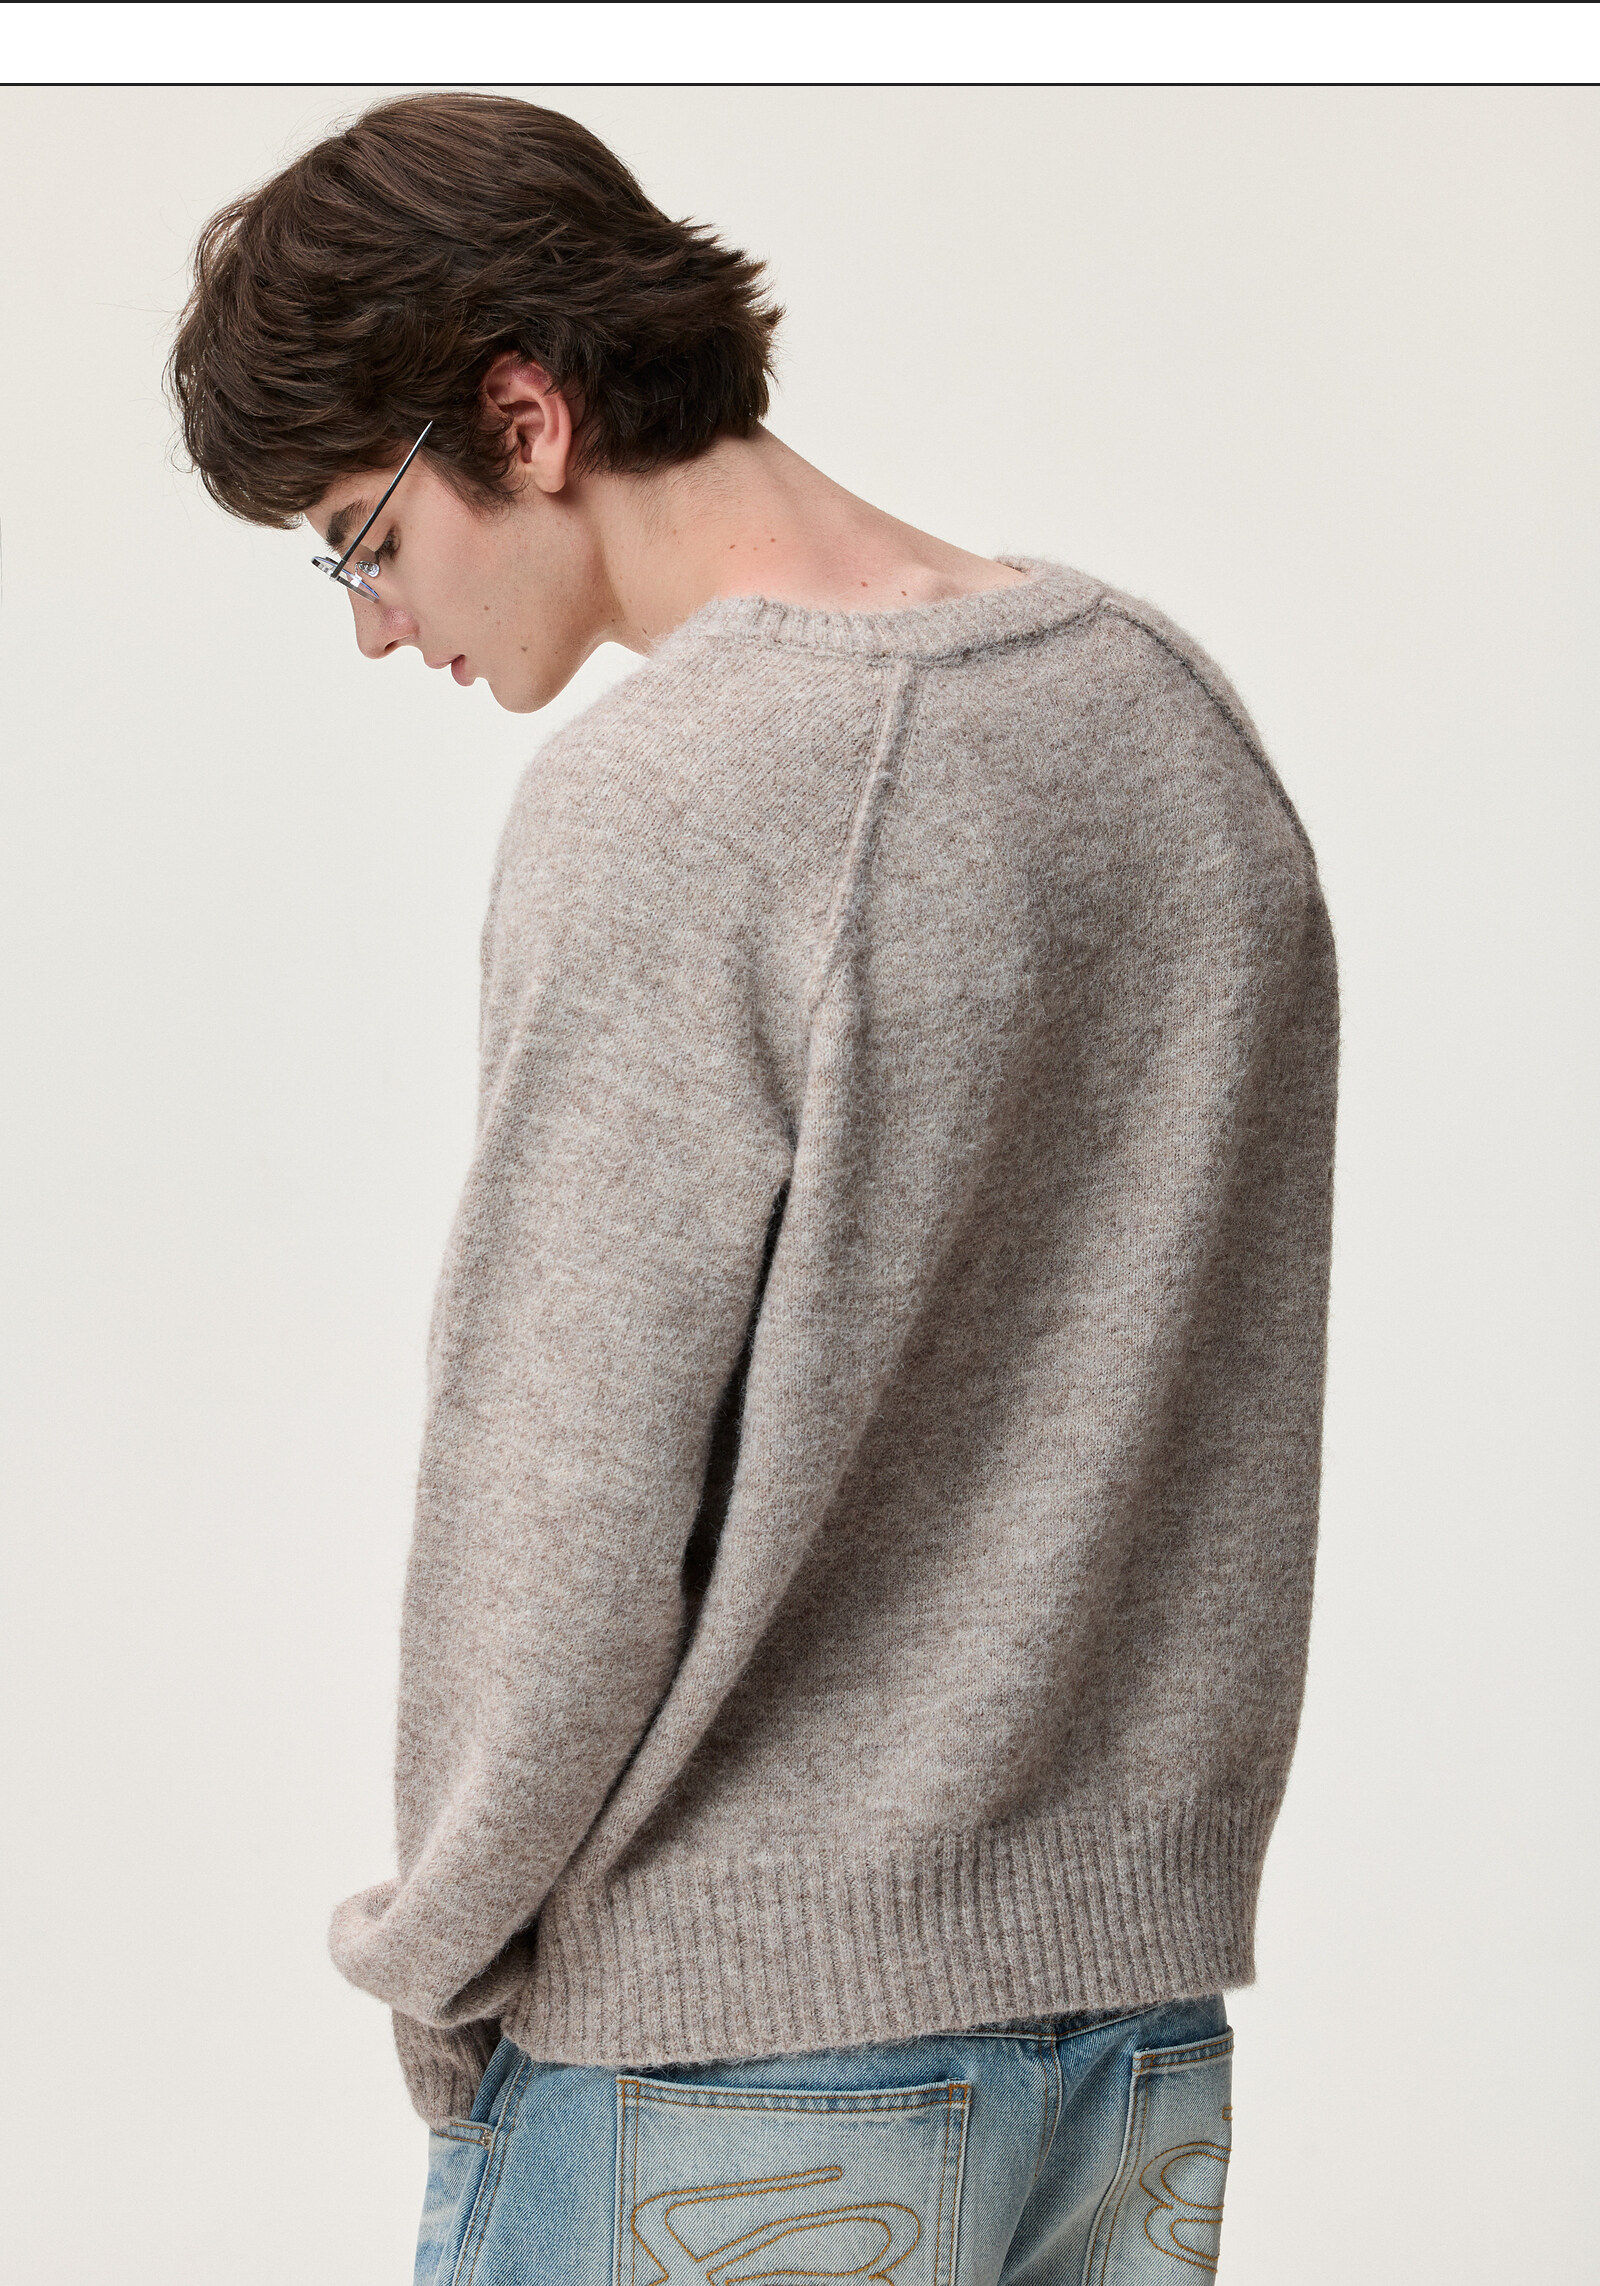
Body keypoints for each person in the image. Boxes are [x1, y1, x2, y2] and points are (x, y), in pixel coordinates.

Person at [168, 90, 1337, 2285]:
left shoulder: (670, 800)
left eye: (359, 535)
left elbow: (561, 1484)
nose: (374, 624)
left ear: (521, 417)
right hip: (1131, 2049)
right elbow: (1230, 1387)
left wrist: (438, 1960)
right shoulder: (1163, 719)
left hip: (728, 2060)